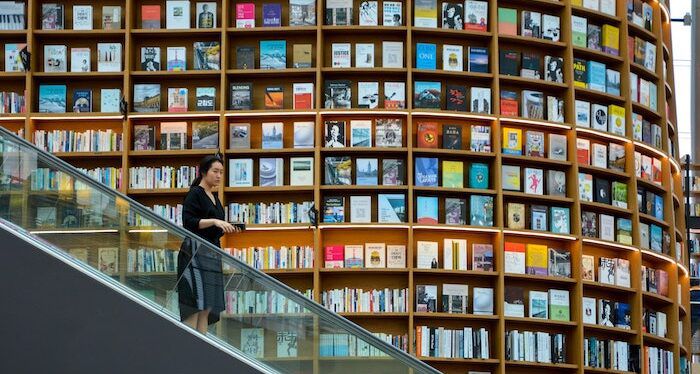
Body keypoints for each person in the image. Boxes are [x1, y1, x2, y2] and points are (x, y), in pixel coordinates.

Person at [179, 154, 239, 334]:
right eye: (215, 171)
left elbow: (214, 227)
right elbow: (188, 222)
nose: (219, 176)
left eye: (221, 172)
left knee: (206, 307)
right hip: (195, 254)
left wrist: (226, 226)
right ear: (204, 172)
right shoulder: (195, 193)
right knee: (194, 305)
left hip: (211, 253)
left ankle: (200, 350)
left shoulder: (214, 197)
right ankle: (189, 348)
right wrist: (213, 221)